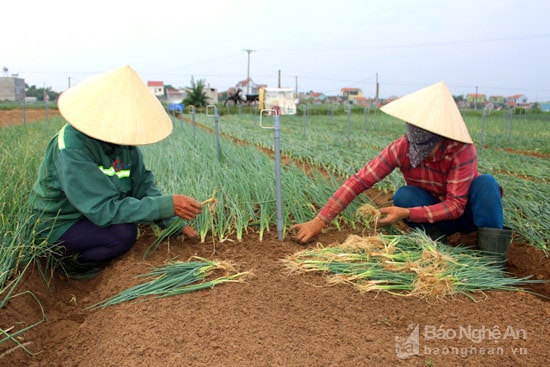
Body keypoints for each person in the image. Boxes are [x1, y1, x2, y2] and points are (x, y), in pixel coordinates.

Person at [292, 81, 512, 263]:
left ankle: (491, 262)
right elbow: (360, 180)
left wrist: (407, 214)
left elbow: (455, 206)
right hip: (434, 219)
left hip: (467, 215)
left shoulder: (460, 150)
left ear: (439, 137)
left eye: (425, 149)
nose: (418, 154)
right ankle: (440, 247)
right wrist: (319, 221)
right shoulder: (402, 148)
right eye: (414, 147)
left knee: (486, 184)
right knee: (405, 196)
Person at [29, 65, 203, 279]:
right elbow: (103, 210)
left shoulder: (123, 143)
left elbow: (142, 185)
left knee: (125, 226)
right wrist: (167, 204)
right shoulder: (72, 149)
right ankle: (67, 265)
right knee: (123, 234)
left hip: (87, 216)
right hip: (60, 224)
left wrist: (172, 222)